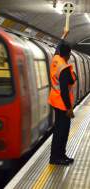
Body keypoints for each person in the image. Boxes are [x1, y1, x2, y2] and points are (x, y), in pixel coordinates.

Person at [48, 31, 76, 165]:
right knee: (62, 132)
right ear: (68, 54)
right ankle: (57, 157)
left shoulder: (55, 60)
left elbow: (58, 47)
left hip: (55, 101)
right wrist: (69, 108)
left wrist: (63, 35)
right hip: (62, 104)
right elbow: (64, 91)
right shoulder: (64, 67)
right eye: (70, 53)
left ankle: (59, 155)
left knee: (58, 130)